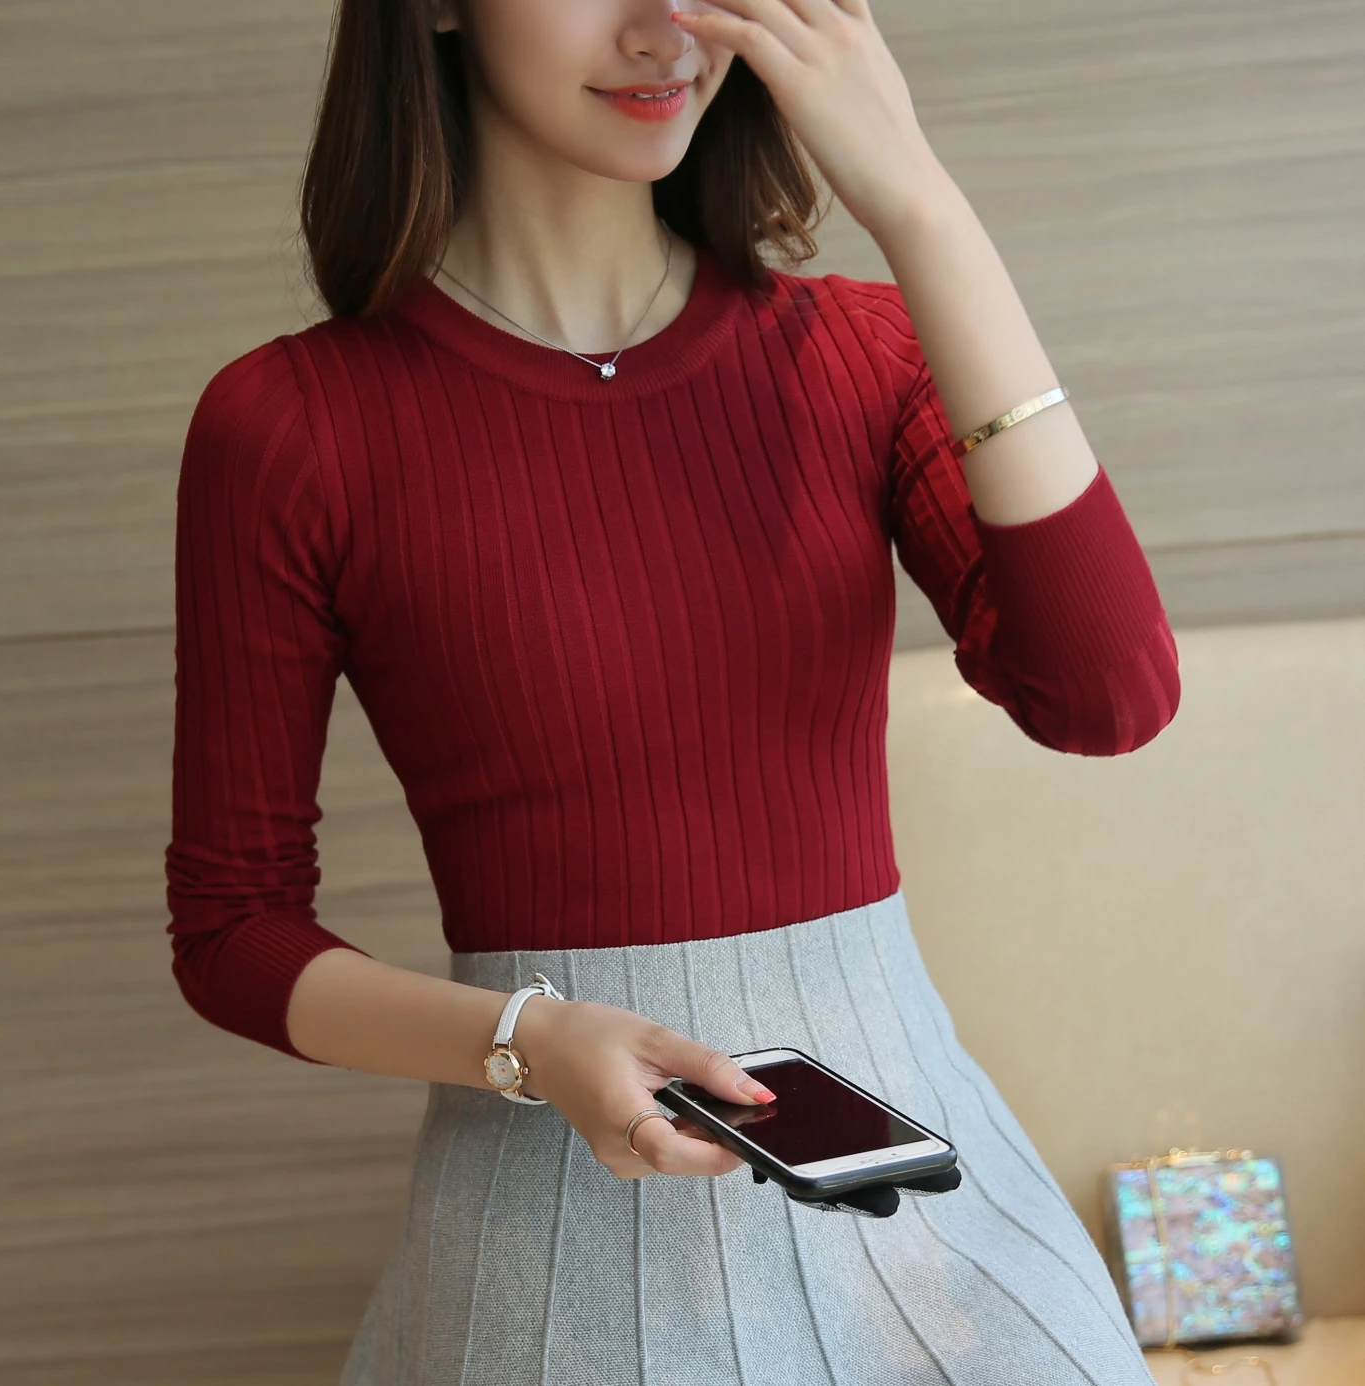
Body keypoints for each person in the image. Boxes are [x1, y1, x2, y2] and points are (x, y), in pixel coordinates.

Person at [165, 1, 1181, 1381]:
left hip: (918, 1185)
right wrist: (526, 1038)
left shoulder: (860, 355)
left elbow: (1106, 693)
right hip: (557, 1227)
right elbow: (232, 928)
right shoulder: (291, 427)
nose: (664, 32)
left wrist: (921, 207)